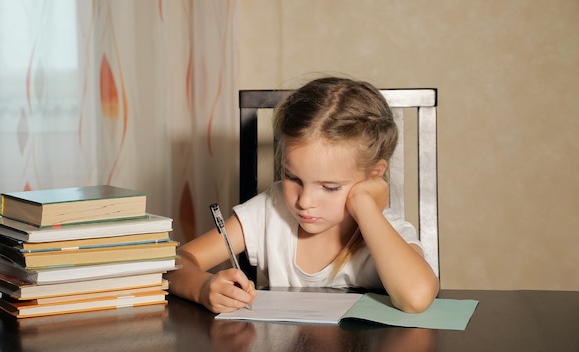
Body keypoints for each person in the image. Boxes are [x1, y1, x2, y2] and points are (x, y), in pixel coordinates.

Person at [166, 76, 439, 313]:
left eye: (330, 187)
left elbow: (417, 298)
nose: (304, 201)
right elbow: (174, 263)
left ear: (373, 176)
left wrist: (365, 207)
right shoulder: (270, 211)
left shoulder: (383, 229)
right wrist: (203, 288)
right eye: (292, 178)